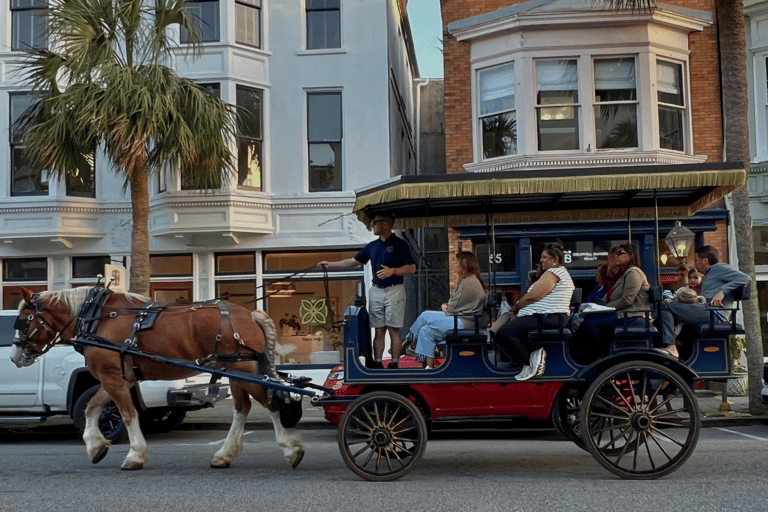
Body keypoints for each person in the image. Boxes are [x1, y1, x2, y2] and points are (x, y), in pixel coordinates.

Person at [317, 213, 416, 369]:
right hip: (376, 290)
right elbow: (353, 261)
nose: (373, 225)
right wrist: (330, 264)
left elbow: (411, 267)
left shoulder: (399, 244)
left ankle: (394, 363)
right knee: (379, 328)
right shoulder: (372, 246)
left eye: (376, 222)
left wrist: (393, 271)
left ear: (387, 224)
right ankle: (377, 362)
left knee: (393, 328)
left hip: (394, 289)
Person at [492, 243, 574, 381]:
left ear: (554, 259)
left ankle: (530, 361)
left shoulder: (554, 273)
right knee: (505, 331)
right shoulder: (553, 273)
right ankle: (520, 362)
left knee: (506, 332)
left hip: (550, 316)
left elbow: (533, 296)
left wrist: (516, 307)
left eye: (544, 257)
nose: (541, 260)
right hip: (545, 316)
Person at [657, 245, 751, 359]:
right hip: (709, 311)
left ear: (705, 260)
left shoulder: (718, 268)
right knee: (668, 314)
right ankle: (685, 356)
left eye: (696, 260)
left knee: (665, 306)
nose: (695, 264)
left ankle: (671, 347)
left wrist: (722, 292)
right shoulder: (710, 273)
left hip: (714, 313)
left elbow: (745, 277)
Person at [403, 252, 487, 368]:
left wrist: (444, 307)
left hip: (464, 322)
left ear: (464, 265)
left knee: (425, 315)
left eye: (458, 264)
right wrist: (448, 306)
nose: (456, 266)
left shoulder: (469, 282)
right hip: (464, 319)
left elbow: (452, 306)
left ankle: (408, 343)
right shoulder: (471, 280)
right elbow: (458, 304)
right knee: (426, 330)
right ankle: (429, 366)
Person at [578, 244, 650, 357]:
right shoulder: (623, 276)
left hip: (632, 317)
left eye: (620, 253)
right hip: (623, 315)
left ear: (630, 256)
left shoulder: (633, 272)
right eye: (615, 253)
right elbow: (609, 297)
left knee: (590, 322)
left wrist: (604, 308)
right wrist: (594, 306)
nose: (616, 256)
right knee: (585, 320)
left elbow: (627, 300)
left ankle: (601, 353)